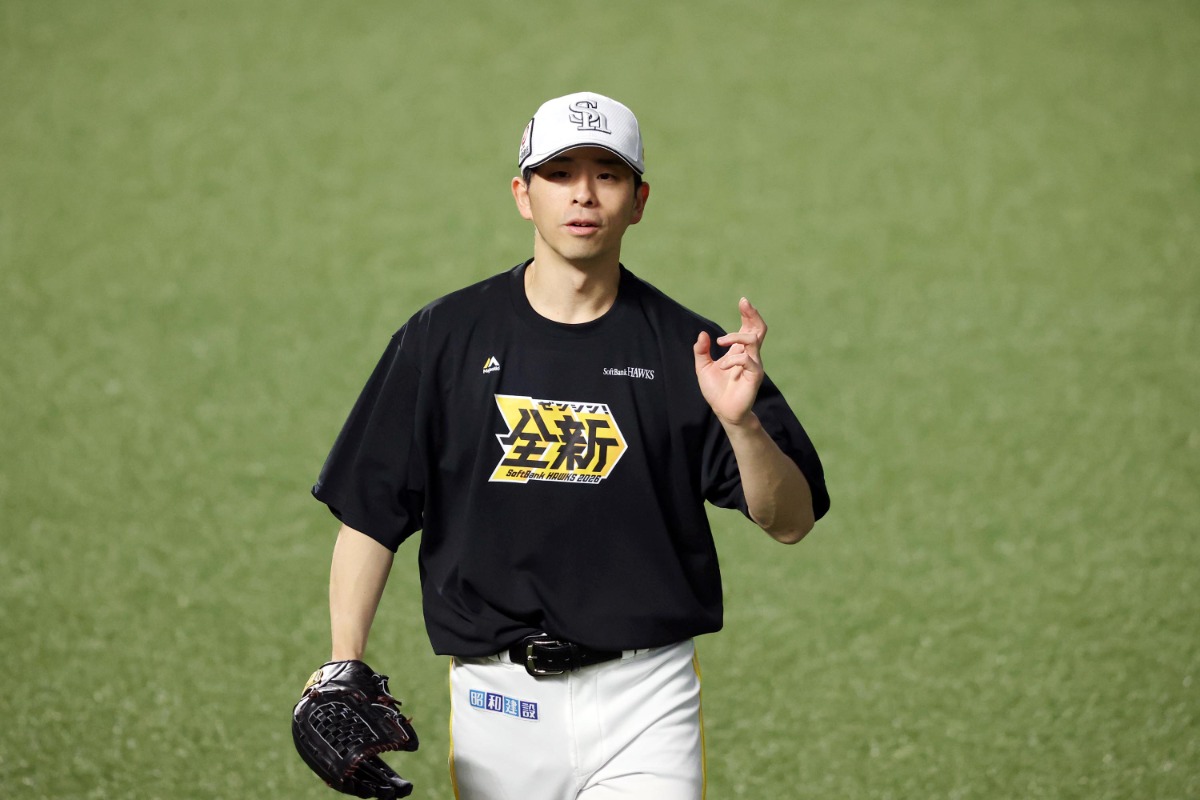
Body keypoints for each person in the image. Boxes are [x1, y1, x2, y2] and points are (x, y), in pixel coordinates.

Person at [310, 91, 830, 800]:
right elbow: (372, 512)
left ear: (639, 201)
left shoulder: (696, 352)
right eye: (559, 174)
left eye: (607, 174)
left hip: (647, 697)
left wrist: (743, 426)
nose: (583, 193)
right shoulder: (442, 339)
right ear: (522, 195)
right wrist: (342, 666)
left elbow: (791, 520)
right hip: (498, 700)